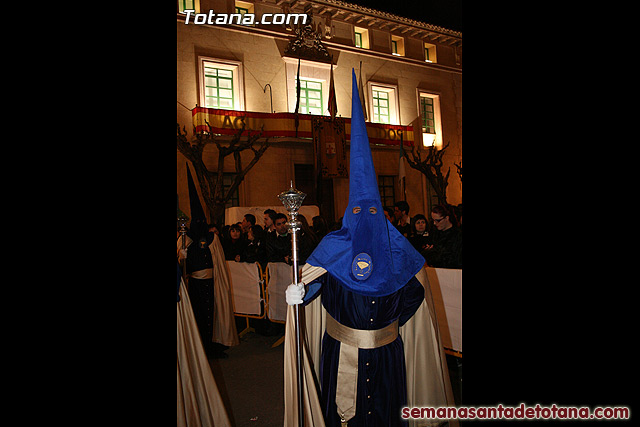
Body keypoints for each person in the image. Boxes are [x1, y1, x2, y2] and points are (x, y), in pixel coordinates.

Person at [283, 72, 456, 426]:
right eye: (358, 211)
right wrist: (303, 290)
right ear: (349, 213)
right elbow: (320, 282)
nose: (365, 219)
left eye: (372, 211)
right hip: (341, 352)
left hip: (388, 357)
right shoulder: (334, 247)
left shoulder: (399, 250)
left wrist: (386, 328)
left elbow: (415, 295)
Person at [423, 204, 462, 269]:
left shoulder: (458, 235)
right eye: (433, 220)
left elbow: (455, 260)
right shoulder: (434, 232)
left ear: (447, 218)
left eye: (438, 220)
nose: (434, 223)